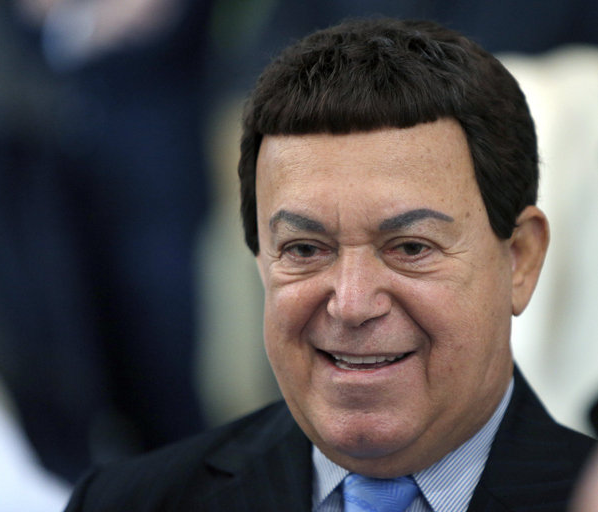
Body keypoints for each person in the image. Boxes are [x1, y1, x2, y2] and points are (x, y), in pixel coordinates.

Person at [64, 17, 596, 511]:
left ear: (521, 259)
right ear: (260, 261)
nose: (352, 304)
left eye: (410, 248)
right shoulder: (128, 503)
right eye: (304, 249)